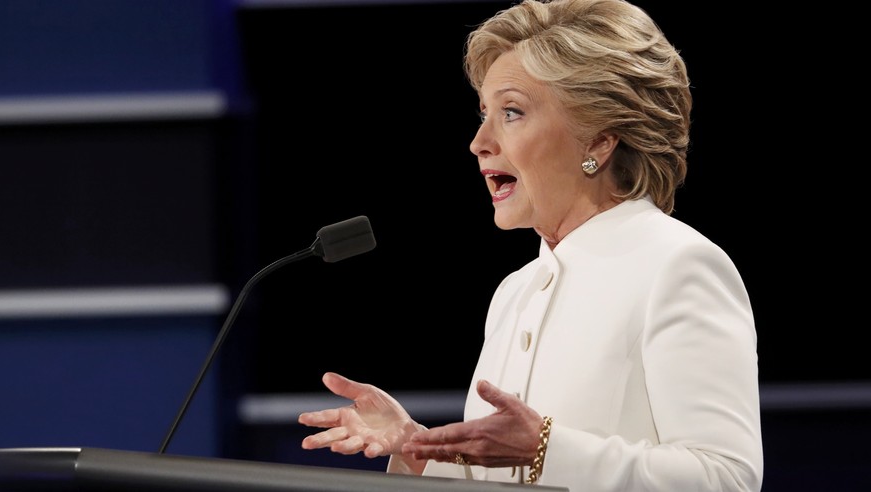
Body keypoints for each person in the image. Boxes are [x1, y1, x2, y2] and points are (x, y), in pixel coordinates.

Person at [297, 0, 764, 490]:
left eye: (512, 112)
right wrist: (420, 448)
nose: (479, 142)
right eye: (484, 113)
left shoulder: (679, 266)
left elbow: (727, 477)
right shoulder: (513, 294)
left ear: (599, 142)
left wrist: (546, 447)